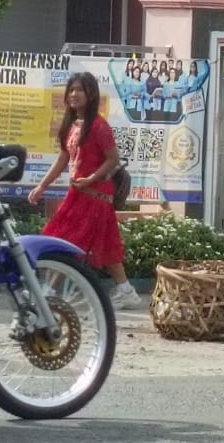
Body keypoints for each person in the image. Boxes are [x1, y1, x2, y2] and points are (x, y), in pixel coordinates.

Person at [29, 73, 140, 309]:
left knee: (67, 242)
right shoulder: (72, 125)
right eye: (71, 90)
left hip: (95, 196)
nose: (74, 94)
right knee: (106, 246)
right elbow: (63, 158)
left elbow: (113, 160)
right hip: (81, 194)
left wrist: (90, 178)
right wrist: (42, 186)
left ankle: (49, 292)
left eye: (80, 90)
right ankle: (126, 290)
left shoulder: (100, 126)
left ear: (91, 95)